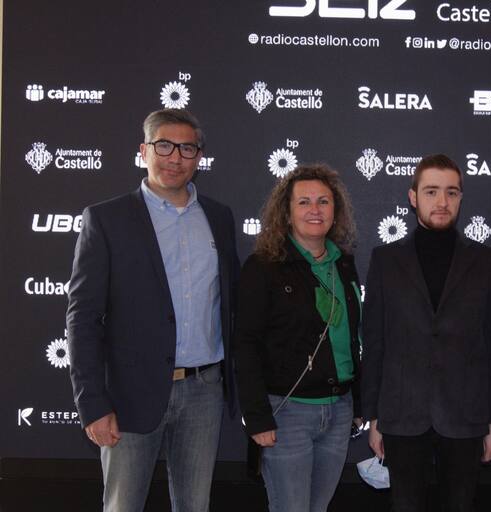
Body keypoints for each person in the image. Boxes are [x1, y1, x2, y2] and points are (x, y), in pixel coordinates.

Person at [66, 109, 239, 511]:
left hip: (204, 390)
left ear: (199, 156)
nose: (175, 157)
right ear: (144, 151)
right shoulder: (106, 219)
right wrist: (92, 404)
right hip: (129, 393)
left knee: (195, 505)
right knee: (123, 505)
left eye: (186, 148)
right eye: (164, 146)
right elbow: (82, 317)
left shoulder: (219, 217)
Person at [361, 154, 491, 512]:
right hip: (401, 414)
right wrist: (374, 417)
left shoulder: (485, 261)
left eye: (451, 192)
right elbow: (375, 342)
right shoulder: (385, 260)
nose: (442, 201)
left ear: (460, 197)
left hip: (466, 416)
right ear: (413, 197)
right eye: (431, 191)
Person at [234, 164, 362, 512]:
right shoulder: (263, 267)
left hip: (339, 410)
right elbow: (245, 344)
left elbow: (352, 339)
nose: (314, 210)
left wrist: (359, 404)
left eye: (323, 201)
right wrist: (257, 416)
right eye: (304, 202)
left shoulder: (344, 264)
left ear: (335, 211)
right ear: (286, 213)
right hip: (287, 413)